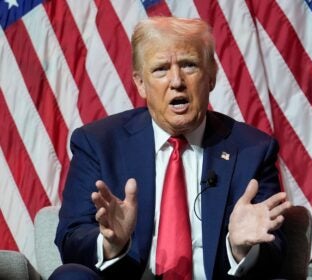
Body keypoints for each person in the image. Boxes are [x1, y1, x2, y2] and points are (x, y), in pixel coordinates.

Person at [50, 16, 291, 280]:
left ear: (211, 76)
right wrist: (110, 244)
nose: (176, 81)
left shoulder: (253, 149)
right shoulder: (98, 143)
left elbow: (275, 251)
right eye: (161, 69)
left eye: (189, 65)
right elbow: (71, 237)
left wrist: (239, 248)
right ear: (140, 83)